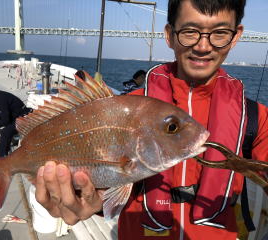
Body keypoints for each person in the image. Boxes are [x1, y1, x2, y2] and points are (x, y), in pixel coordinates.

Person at [34, 0, 268, 239]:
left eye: (220, 33)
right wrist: (91, 204)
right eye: (189, 31)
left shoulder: (255, 118)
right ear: (169, 34)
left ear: (236, 35)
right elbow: (105, 188)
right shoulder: (122, 109)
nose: (203, 46)